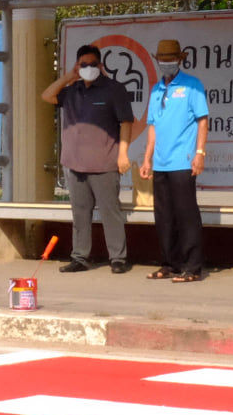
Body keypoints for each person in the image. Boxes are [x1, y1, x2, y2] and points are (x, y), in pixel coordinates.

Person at [42, 44, 134, 274]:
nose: (89, 68)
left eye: (93, 64)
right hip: (74, 162)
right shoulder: (72, 90)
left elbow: (126, 122)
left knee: (109, 211)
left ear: (101, 65)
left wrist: (123, 153)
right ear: (77, 66)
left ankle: (118, 258)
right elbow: (47, 96)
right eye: (84, 65)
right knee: (80, 212)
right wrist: (68, 77)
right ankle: (80, 257)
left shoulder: (114, 89)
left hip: (104, 161)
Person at [138, 38, 209, 282]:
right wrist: (147, 159)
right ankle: (169, 263)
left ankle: (193, 267)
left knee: (186, 214)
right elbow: (153, 127)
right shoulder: (156, 90)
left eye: (170, 60)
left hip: (183, 160)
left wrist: (199, 153)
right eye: (162, 60)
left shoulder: (192, 86)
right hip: (160, 162)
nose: (166, 64)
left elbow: (202, 120)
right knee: (164, 216)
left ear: (180, 60)